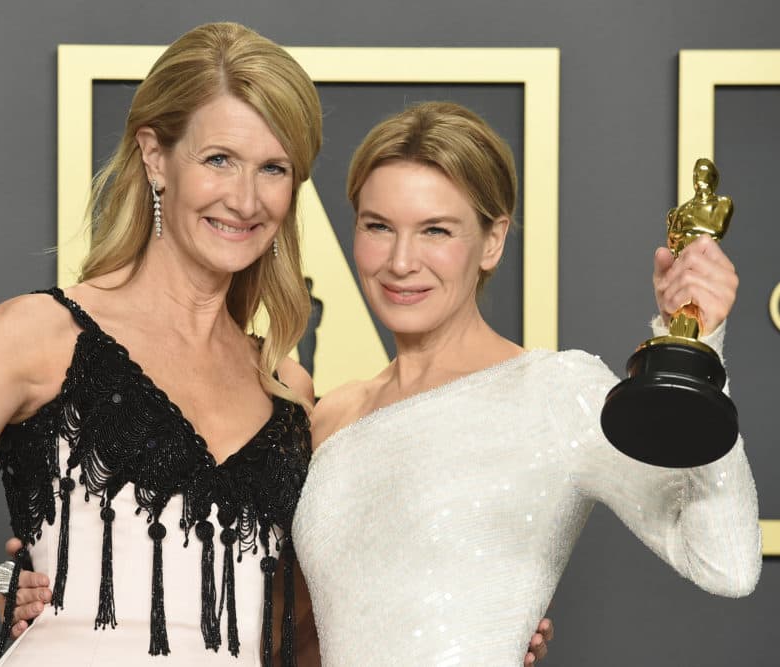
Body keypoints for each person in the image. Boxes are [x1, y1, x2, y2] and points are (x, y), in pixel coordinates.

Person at [0, 22, 323, 666]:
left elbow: (300, 625)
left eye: (273, 168)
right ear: (154, 156)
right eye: (219, 159)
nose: (245, 198)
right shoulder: (41, 334)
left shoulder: (288, 388)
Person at [288, 102, 760, 665]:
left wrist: (699, 346)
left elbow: (726, 563)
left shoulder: (556, 393)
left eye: (436, 230)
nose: (400, 260)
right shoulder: (332, 415)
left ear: (493, 240)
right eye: (378, 227)